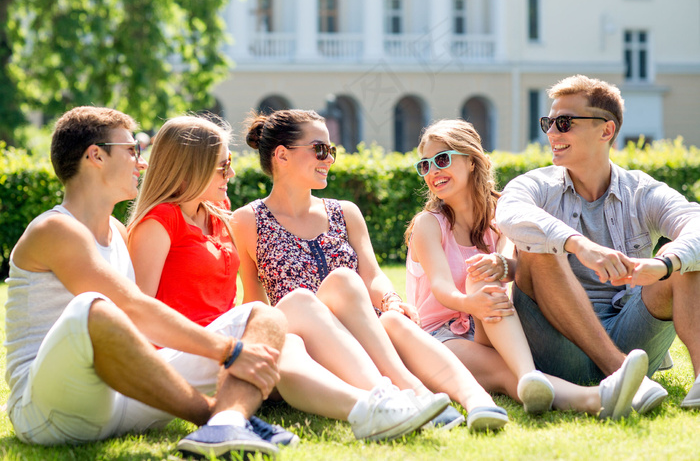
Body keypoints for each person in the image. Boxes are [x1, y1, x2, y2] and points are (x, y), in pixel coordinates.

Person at [126, 114, 444, 442]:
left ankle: (378, 403)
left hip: (229, 348)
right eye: (222, 166)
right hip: (192, 353)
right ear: (189, 166)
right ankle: (384, 398)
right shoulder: (159, 222)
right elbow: (141, 316)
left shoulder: (218, 217)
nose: (231, 173)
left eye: (230, 163)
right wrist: (224, 348)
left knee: (289, 341)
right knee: (298, 304)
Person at [3, 106, 288, 460]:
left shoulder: (119, 234)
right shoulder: (55, 228)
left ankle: (226, 423)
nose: (142, 162)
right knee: (96, 309)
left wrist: (234, 342)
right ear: (96, 155)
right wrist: (229, 351)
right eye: (132, 149)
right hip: (49, 409)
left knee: (263, 317)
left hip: (120, 395)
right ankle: (211, 417)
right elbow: (133, 309)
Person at [232, 109, 512, 431]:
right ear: (282, 155)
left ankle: (477, 401)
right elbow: (255, 303)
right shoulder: (246, 220)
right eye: (320, 150)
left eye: (331, 151)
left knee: (386, 313)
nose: (329, 159)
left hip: (361, 330)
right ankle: (410, 391)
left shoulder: (344, 212)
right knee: (328, 287)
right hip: (306, 340)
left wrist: (392, 301)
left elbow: (373, 276)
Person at [405, 118, 649, 420]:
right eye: (425, 165)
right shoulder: (428, 224)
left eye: (442, 159)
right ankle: (593, 396)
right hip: (440, 336)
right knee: (505, 374)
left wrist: (491, 277)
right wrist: (471, 304)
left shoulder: (503, 211)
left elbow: (508, 260)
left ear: (470, 161)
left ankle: (532, 377)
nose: (433, 171)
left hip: (492, 324)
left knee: (482, 272)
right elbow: (441, 287)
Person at [495, 74, 700, 412]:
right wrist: (578, 244)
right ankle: (620, 372)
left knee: (684, 257)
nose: (552, 134)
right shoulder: (535, 185)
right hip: (561, 346)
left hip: (633, 335)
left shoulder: (641, 191)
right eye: (549, 123)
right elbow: (509, 212)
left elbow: (694, 222)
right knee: (538, 251)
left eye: (564, 122)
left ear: (606, 130)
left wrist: (664, 265)